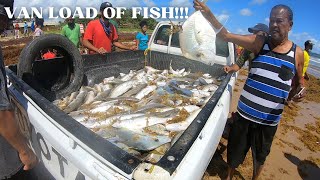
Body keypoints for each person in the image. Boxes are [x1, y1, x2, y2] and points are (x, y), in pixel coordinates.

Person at [193, 1, 305, 180]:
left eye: (279, 21)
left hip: (269, 122)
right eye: (271, 21)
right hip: (244, 115)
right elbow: (226, 36)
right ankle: (229, 176)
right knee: (235, 152)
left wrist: (298, 92)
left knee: (260, 156)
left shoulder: (297, 54)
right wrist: (208, 13)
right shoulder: (259, 42)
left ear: (290, 25)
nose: (274, 25)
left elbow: (299, 82)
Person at [0, 1, 38, 179]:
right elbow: (2, 112)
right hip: (5, 161)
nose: (8, 24)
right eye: (6, 18)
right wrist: (24, 150)